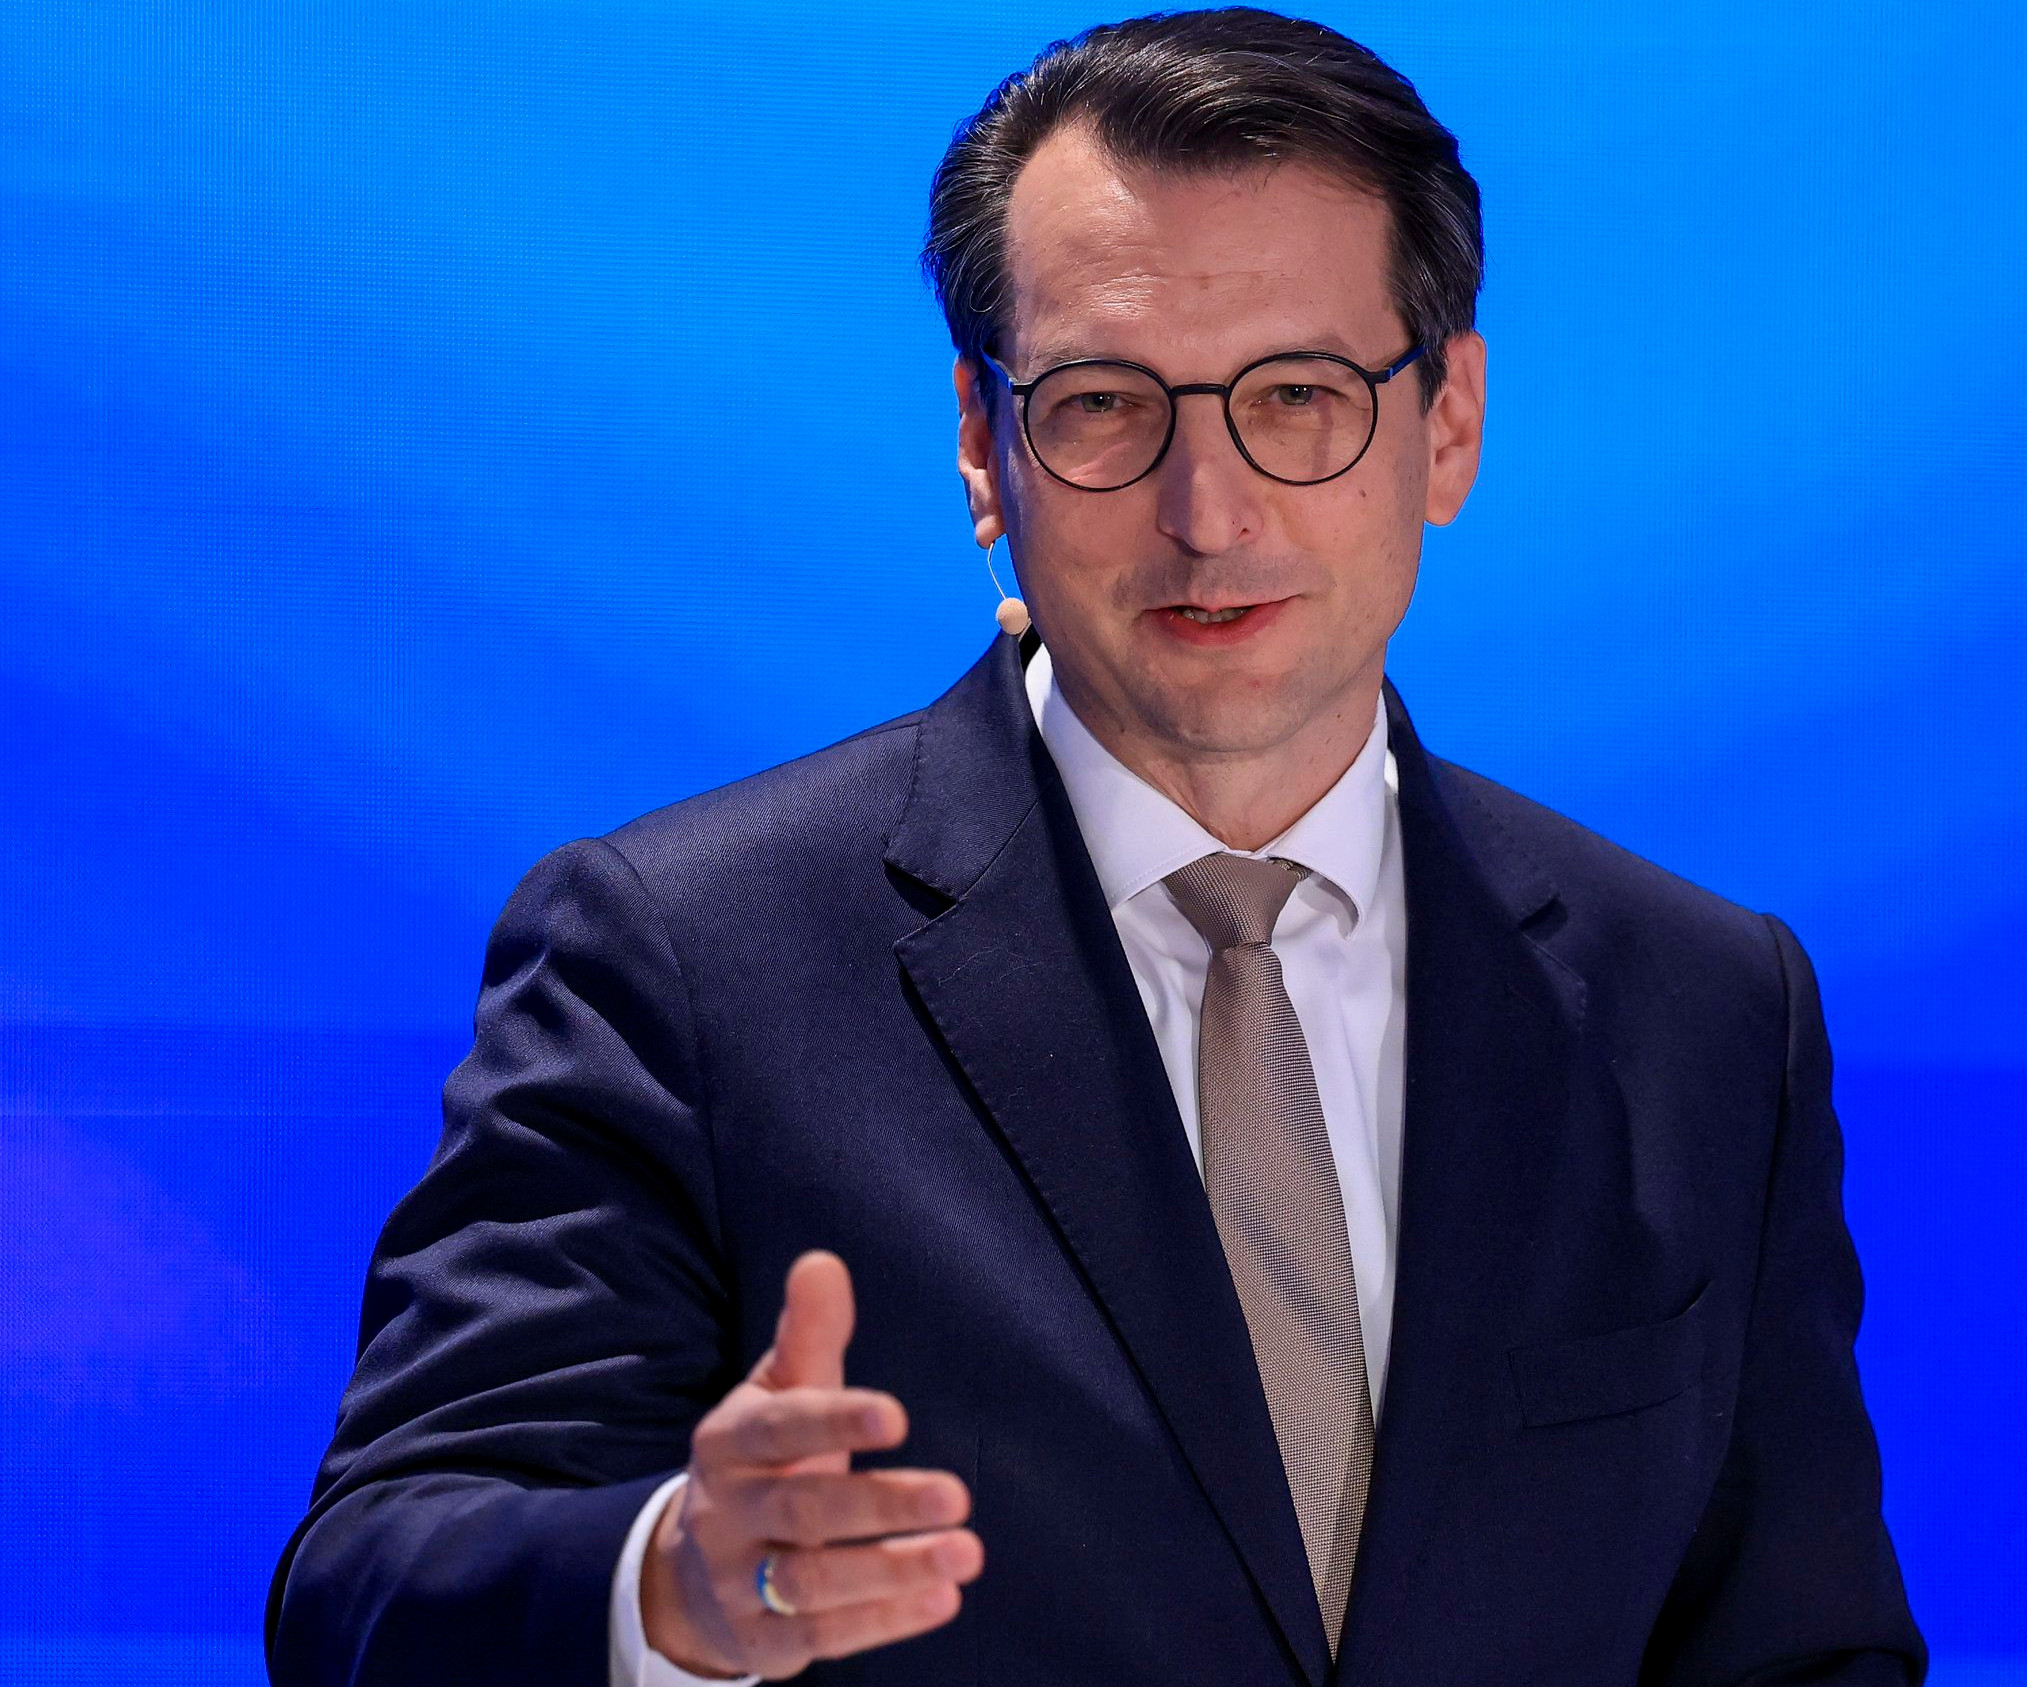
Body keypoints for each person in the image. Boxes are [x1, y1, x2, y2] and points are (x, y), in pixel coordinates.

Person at [266, 10, 1924, 1683]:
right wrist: (668, 1591)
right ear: (984, 447)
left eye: (1300, 396)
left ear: (1449, 427)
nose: (1210, 510)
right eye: (1105, 406)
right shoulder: (680, 958)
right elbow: (371, 1584)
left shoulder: (1705, 1011)